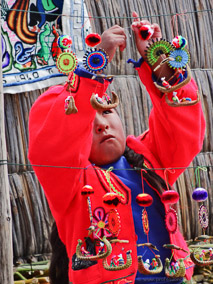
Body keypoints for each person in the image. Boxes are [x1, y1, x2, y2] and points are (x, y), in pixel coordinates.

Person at [28, 11, 205, 284]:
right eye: (90, 120)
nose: (102, 125)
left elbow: (184, 128)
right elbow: (53, 142)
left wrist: (159, 62)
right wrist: (93, 68)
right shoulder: (68, 182)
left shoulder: (151, 159)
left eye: (107, 111)